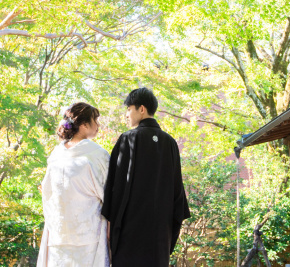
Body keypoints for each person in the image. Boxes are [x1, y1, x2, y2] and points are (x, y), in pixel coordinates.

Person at [101, 87, 191, 267]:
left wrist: (110, 224)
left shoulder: (128, 139)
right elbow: (177, 190)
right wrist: (170, 230)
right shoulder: (170, 143)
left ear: (141, 109)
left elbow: (115, 186)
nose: (126, 114)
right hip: (159, 233)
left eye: (129, 109)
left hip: (129, 233)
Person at [38, 102, 109, 267]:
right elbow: (110, 197)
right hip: (89, 235)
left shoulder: (56, 155)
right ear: (84, 125)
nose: (98, 125)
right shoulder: (98, 155)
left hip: (58, 235)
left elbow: (47, 194)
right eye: (95, 121)